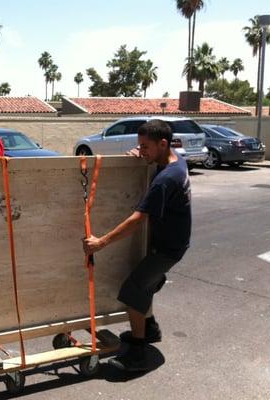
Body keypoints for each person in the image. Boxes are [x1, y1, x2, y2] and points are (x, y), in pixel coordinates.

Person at [83, 119, 191, 372]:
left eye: (145, 147)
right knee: (147, 283)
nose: (141, 151)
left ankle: (138, 353)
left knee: (132, 290)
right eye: (139, 146)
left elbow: (137, 218)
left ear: (162, 144)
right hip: (172, 242)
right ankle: (150, 329)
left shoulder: (166, 179)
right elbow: (154, 160)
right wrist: (141, 156)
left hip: (168, 249)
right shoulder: (174, 161)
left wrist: (101, 242)